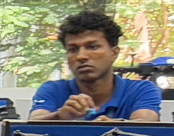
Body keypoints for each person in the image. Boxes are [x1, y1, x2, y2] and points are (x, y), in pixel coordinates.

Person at [30, 10, 161, 122]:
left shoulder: (141, 90)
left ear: (114, 53)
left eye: (92, 47)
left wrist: (114, 128)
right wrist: (59, 116)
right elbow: (34, 121)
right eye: (73, 49)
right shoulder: (53, 90)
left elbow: (145, 122)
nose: (81, 56)